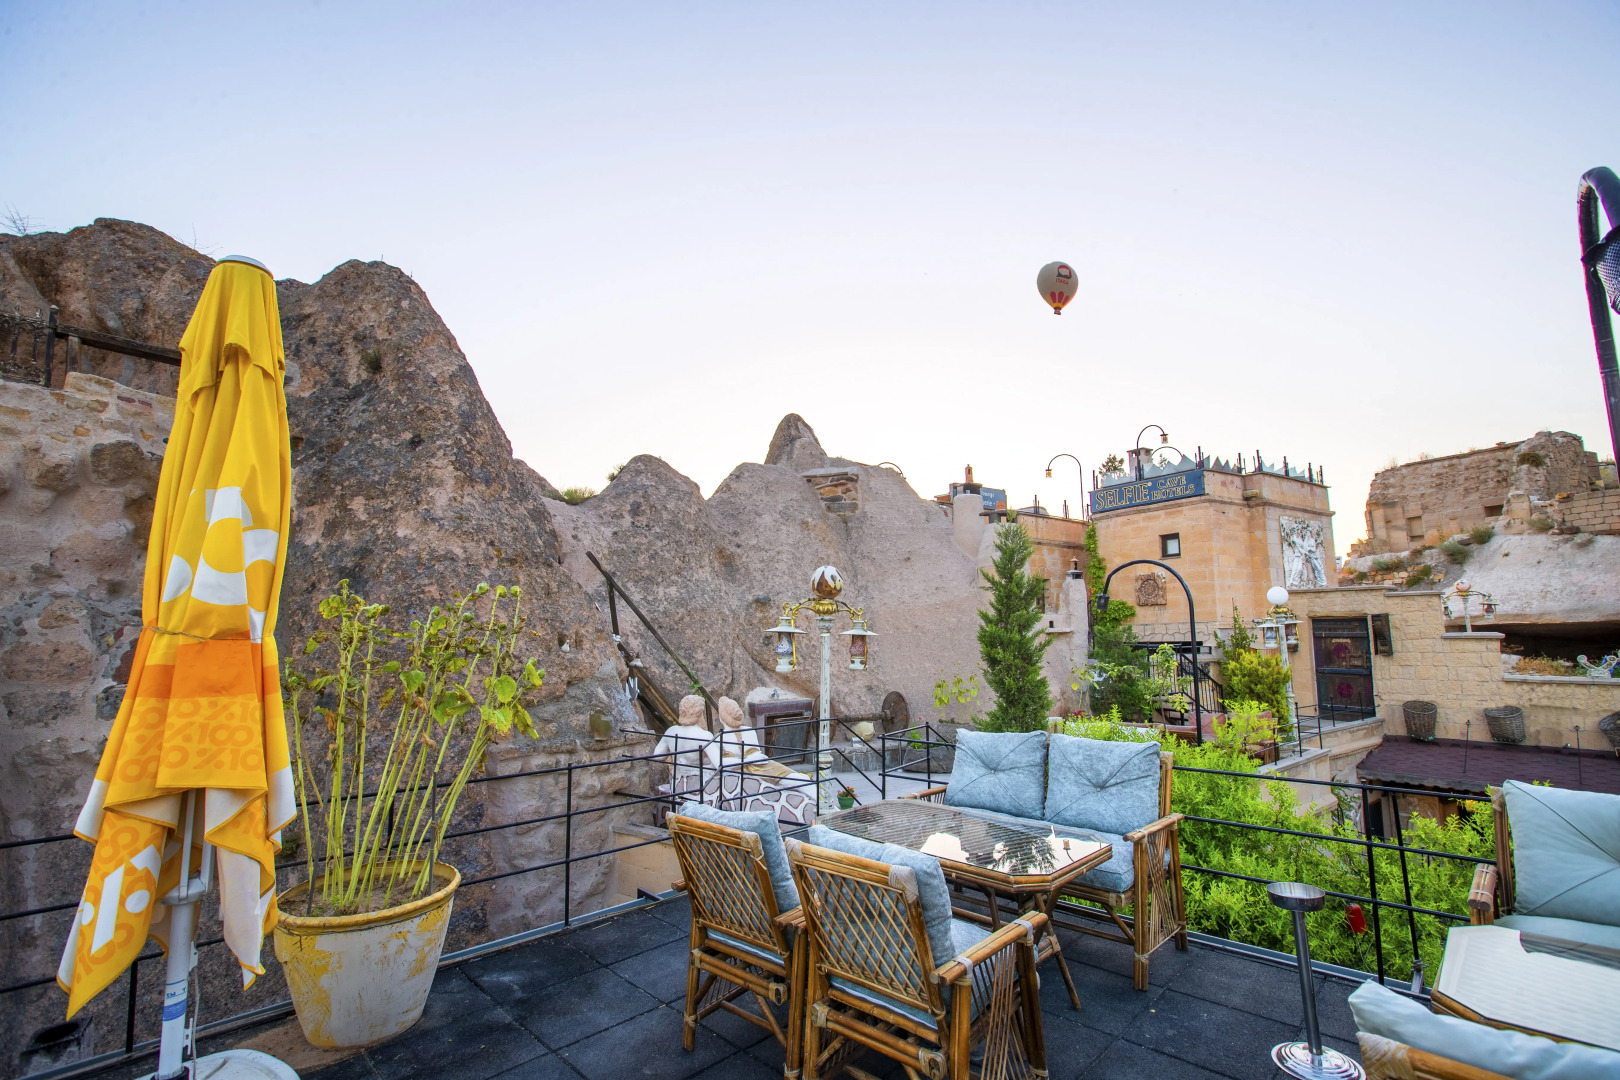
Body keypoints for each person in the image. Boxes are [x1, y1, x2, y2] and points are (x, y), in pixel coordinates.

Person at [708, 696, 807, 781]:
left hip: (760, 767)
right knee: (796, 779)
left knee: (797, 778)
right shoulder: (722, 737)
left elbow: (758, 757)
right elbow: (720, 764)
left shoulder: (743, 732)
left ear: (721, 718)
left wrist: (751, 759)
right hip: (750, 772)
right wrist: (749, 760)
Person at [653, 695, 716, 792]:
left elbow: (657, 756)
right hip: (699, 784)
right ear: (700, 713)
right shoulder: (705, 735)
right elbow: (719, 764)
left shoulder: (671, 731)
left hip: (678, 781)